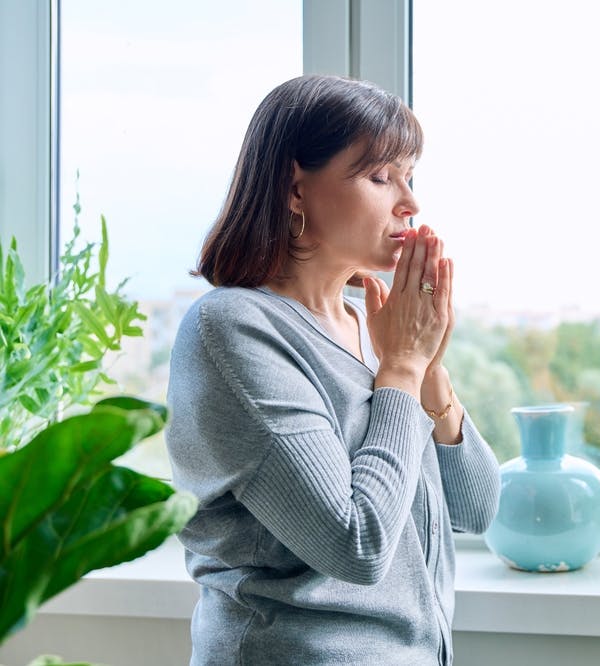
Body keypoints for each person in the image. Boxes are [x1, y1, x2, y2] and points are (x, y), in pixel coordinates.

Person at [165, 74, 501, 666]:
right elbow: (356, 546)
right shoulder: (232, 328)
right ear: (296, 189)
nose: (410, 201)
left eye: (409, 175)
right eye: (379, 176)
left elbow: (476, 509)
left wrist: (427, 373)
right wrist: (401, 367)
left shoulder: (371, 328)